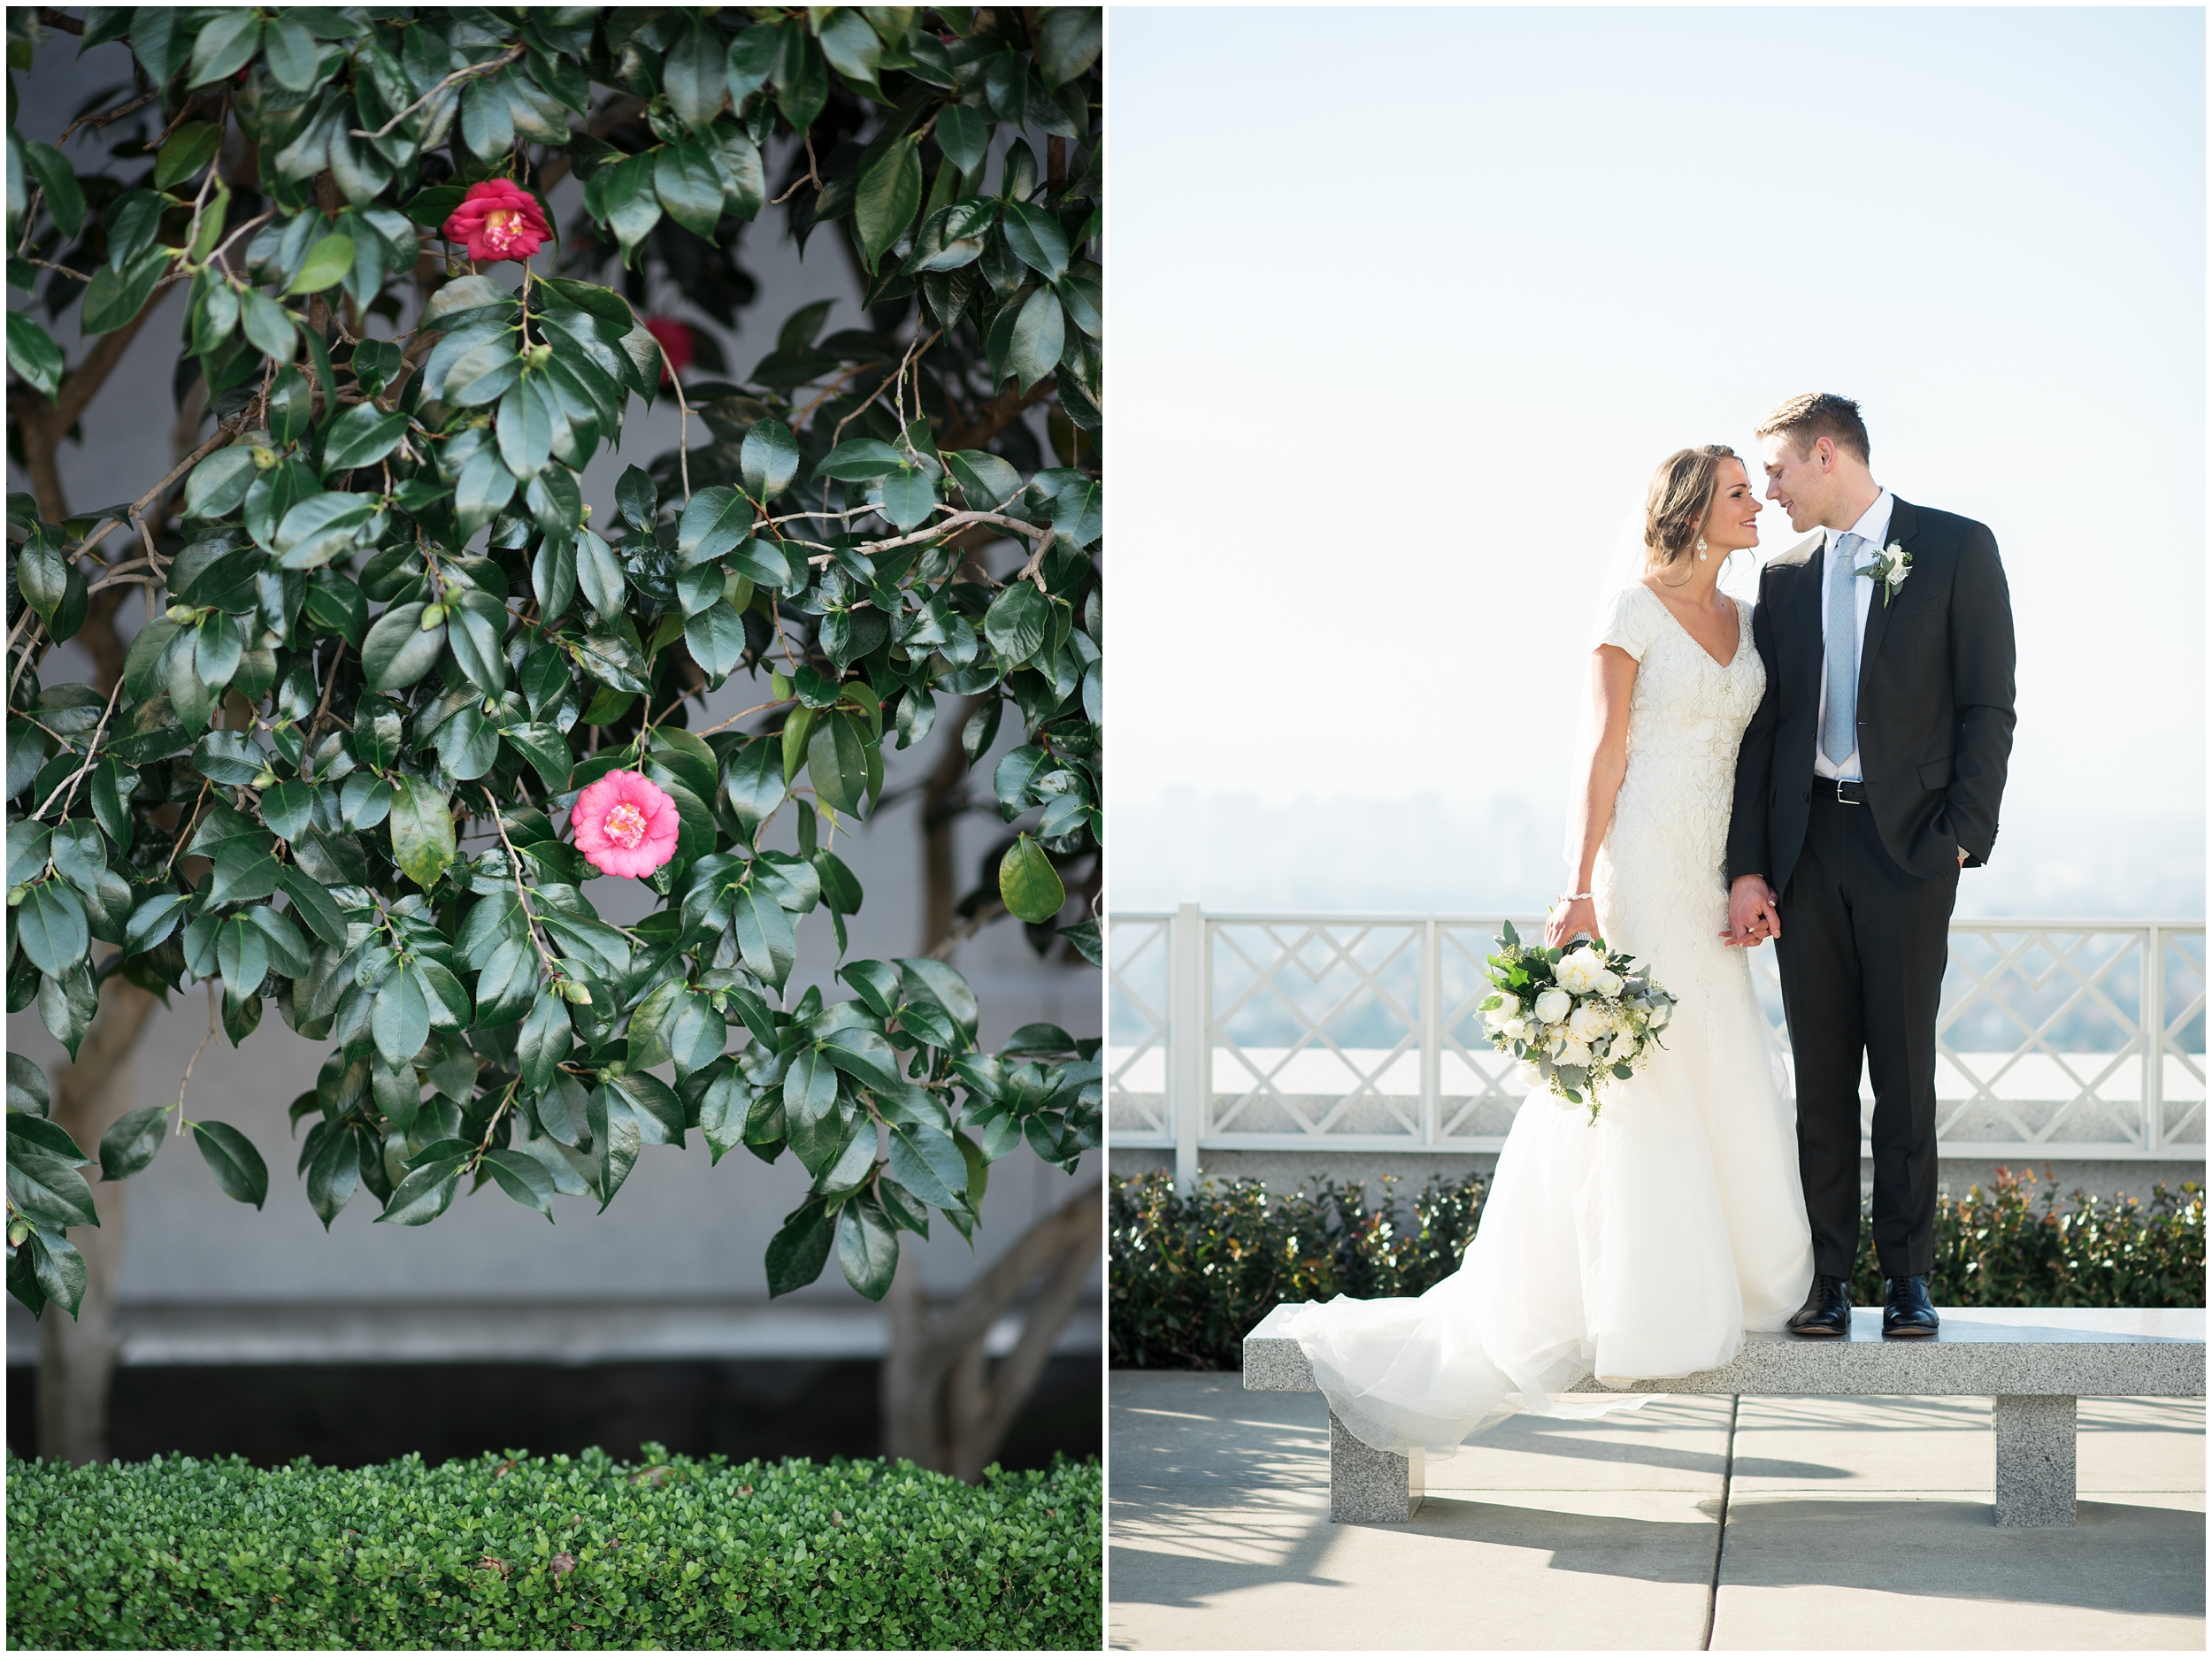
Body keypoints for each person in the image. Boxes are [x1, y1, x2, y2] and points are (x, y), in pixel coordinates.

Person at [1278, 444, 1815, 1460]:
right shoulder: (1630, 614)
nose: (1760, 506)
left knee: (1717, 1051)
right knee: (1641, 1069)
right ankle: (1637, 1296)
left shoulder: (1750, 621)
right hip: (1644, 859)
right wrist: (1577, 889)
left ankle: (1733, 1275)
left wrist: (1750, 870)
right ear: (1697, 511)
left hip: (1713, 861)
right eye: (1743, 492)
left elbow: (1757, 750)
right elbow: (1603, 754)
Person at [1726, 394, 2016, 1339]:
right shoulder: (1781, 577)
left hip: (1910, 849)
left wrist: (1962, 835)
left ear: (1824, 455)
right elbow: (1763, 732)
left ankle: (1906, 1278)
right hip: (1806, 848)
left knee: (1902, 1070)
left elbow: (1988, 705)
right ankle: (1826, 1279)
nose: (1767, 492)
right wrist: (1749, 866)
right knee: (1819, 1076)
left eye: (1775, 472)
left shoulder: (1956, 548)